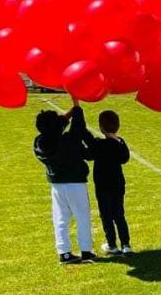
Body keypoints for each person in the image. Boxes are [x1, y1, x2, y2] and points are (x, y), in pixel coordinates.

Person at [33, 100, 95, 264]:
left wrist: (71, 112)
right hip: (75, 183)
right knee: (82, 216)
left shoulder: (40, 143)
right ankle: (86, 250)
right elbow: (79, 126)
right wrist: (76, 106)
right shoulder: (69, 140)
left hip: (57, 185)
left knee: (60, 218)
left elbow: (55, 127)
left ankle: (64, 252)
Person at [82, 110, 132, 255]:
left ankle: (112, 244)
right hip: (118, 184)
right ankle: (126, 244)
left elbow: (87, 151)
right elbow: (125, 158)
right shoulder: (120, 143)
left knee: (106, 216)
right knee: (119, 215)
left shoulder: (99, 145)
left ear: (101, 127)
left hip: (103, 186)